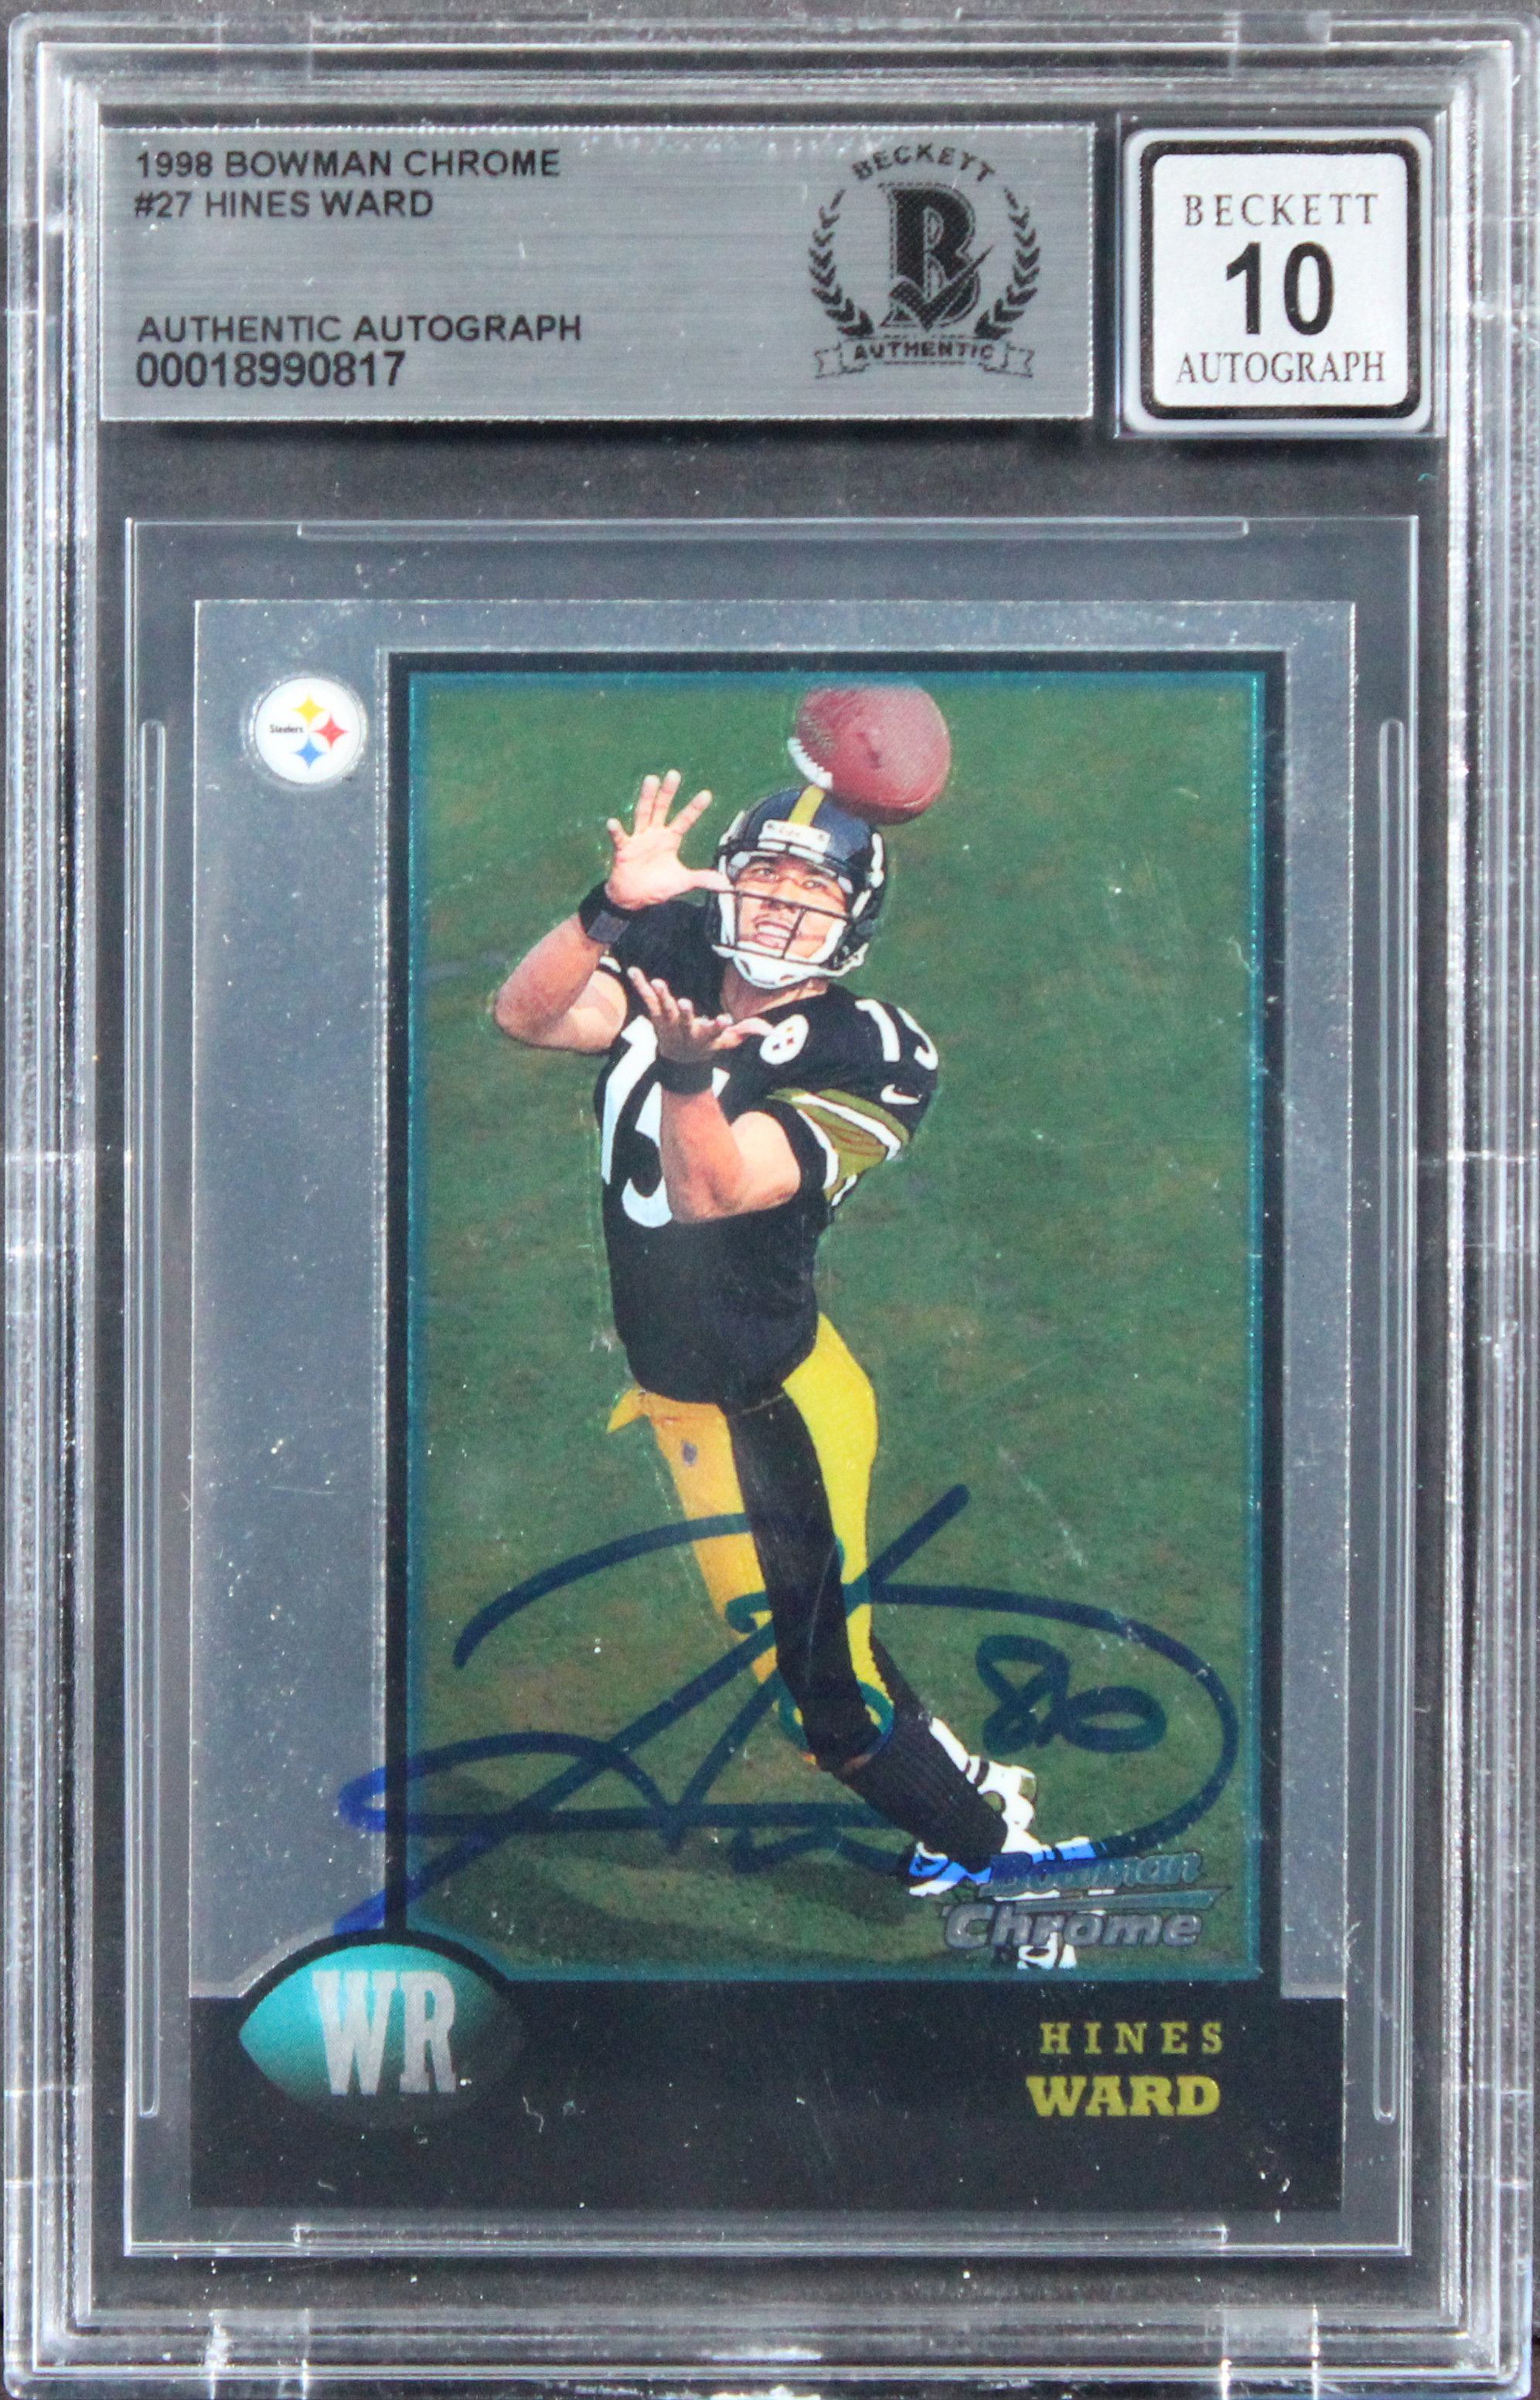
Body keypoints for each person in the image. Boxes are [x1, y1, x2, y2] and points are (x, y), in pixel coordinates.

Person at [495, 765, 1058, 1897]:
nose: (783, 910)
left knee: (828, 1709)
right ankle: (969, 1780)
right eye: (767, 880)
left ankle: (1019, 1876)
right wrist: (609, 908)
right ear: (727, 883)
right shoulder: (677, 955)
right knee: (808, 1630)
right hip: (686, 1395)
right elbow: (528, 1014)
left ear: (857, 922)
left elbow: (715, 1191)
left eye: (816, 894)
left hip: (773, 1411)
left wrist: (689, 1074)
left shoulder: (873, 1051)